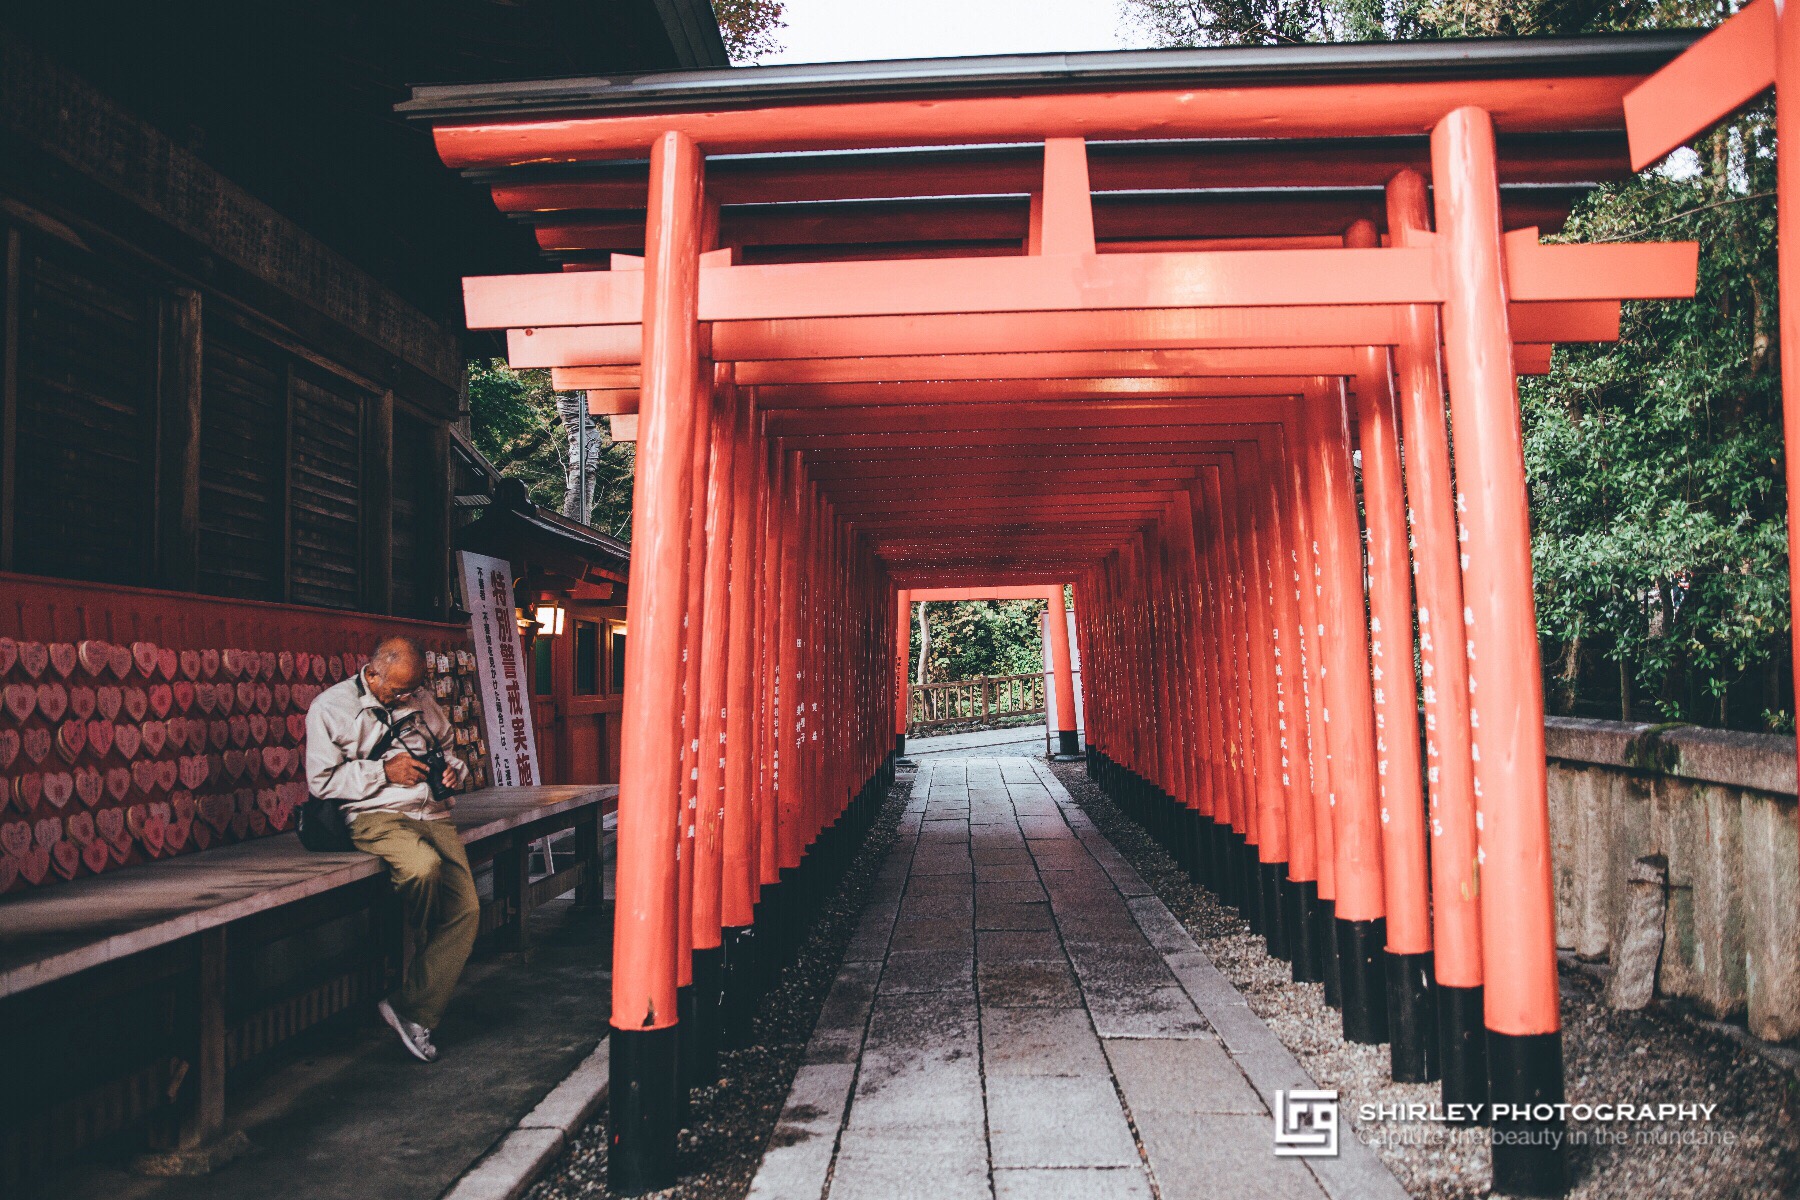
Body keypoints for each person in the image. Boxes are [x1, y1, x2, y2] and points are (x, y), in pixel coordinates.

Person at [305, 636, 473, 1063]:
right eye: (397, 690)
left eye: (410, 690)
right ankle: (419, 963)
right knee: (422, 868)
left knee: (468, 908)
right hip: (373, 812)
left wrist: (453, 771)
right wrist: (382, 770)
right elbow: (321, 782)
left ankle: (413, 1008)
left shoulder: (420, 698)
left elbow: (449, 749)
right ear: (373, 671)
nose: (404, 697)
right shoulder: (331, 707)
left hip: (432, 812)